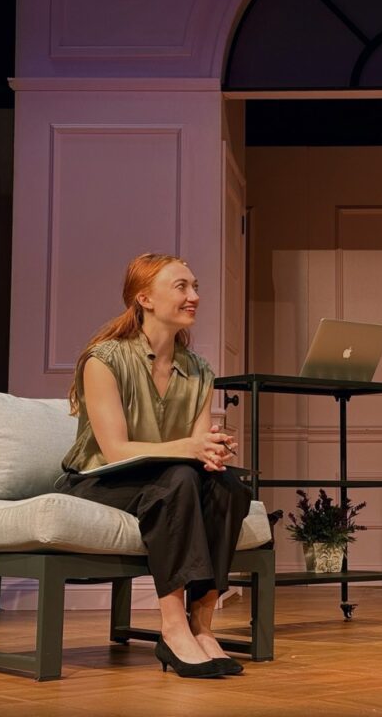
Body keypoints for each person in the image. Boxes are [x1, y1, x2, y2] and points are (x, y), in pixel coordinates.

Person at [57, 252, 252, 678]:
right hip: (97, 482)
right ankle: (172, 626)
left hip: (164, 480)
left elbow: (197, 449)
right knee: (180, 478)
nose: (194, 296)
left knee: (229, 484)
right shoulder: (104, 359)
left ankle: (202, 627)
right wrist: (191, 448)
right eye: (181, 287)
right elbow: (113, 452)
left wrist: (213, 451)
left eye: (195, 287)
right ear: (144, 298)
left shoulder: (199, 369)